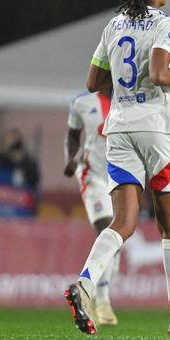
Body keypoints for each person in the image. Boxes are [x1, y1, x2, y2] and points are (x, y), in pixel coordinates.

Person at [64, 0, 170, 336]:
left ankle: (86, 284)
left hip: (120, 129)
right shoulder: (165, 23)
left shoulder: (113, 26)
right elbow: (160, 74)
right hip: (160, 129)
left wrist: (126, 79)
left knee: (122, 222)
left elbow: (93, 81)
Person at [64, 86, 121, 325]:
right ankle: (103, 300)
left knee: (116, 240)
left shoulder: (131, 101)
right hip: (92, 176)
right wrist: (70, 158)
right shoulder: (82, 102)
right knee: (106, 228)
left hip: (119, 176)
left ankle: (98, 294)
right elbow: (73, 134)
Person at [0, 129, 40, 217]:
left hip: (22, 215)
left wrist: (20, 162)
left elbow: (34, 181)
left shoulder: (28, 163)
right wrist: (3, 155)